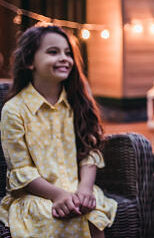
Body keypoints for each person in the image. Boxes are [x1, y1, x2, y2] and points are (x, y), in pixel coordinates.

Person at [0, 24, 117, 238]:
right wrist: (58, 195)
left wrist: (85, 189)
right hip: (37, 194)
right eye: (53, 52)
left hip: (77, 187)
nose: (64, 58)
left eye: (68, 53)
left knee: (92, 213)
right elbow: (21, 169)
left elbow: (89, 149)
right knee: (56, 217)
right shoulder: (14, 110)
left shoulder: (77, 102)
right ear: (29, 61)